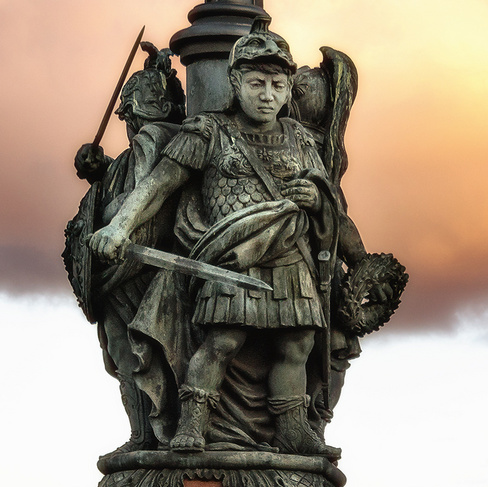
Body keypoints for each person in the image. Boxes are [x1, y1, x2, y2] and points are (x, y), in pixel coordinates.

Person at [91, 21, 340, 458]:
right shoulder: (209, 130)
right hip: (228, 258)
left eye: (278, 85)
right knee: (223, 341)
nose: (268, 94)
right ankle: (193, 422)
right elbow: (161, 184)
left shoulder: (300, 138)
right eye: (257, 83)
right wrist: (119, 226)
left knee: (296, 343)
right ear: (235, 82)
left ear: (287, 90)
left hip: (289, 255)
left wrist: (315, 198)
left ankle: (292, 426)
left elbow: (327, 199)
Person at [67, 43, 185, 450]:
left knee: (137, 353)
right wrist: (99, 174)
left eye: (130, 110)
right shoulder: (143, 146)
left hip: (138, 267)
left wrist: (104, 215)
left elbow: (144, 199)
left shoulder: (155, 137)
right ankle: (142, 435)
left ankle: (149, 435)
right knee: (123, 354)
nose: (126, 119)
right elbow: (126, 185)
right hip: (116, 270)